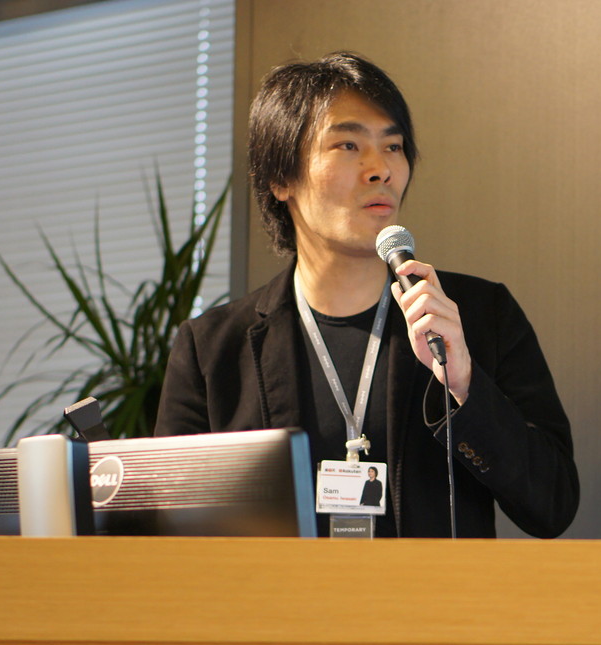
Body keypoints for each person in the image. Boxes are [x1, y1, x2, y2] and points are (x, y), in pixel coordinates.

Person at [155, 51, 578, 538]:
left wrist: (465, 386)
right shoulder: (212, 349)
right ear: (281, 178)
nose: (381, 169)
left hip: (431, 590)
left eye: (393, 146)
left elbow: (553, 505)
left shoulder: (478, 316)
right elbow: (168, 530)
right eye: (348, 145)